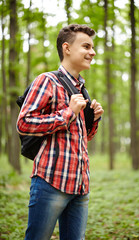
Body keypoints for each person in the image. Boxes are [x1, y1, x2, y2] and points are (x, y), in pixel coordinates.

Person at [17, 24, 104, 240]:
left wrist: (94, 120)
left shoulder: (82, 89)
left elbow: (83, 138)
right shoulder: (47, 80)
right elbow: (24, 122)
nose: (92, 52)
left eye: (92, 47)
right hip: (50, 182)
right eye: (86, 46)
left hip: (80, 186)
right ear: (67, 48)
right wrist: (68, 112)